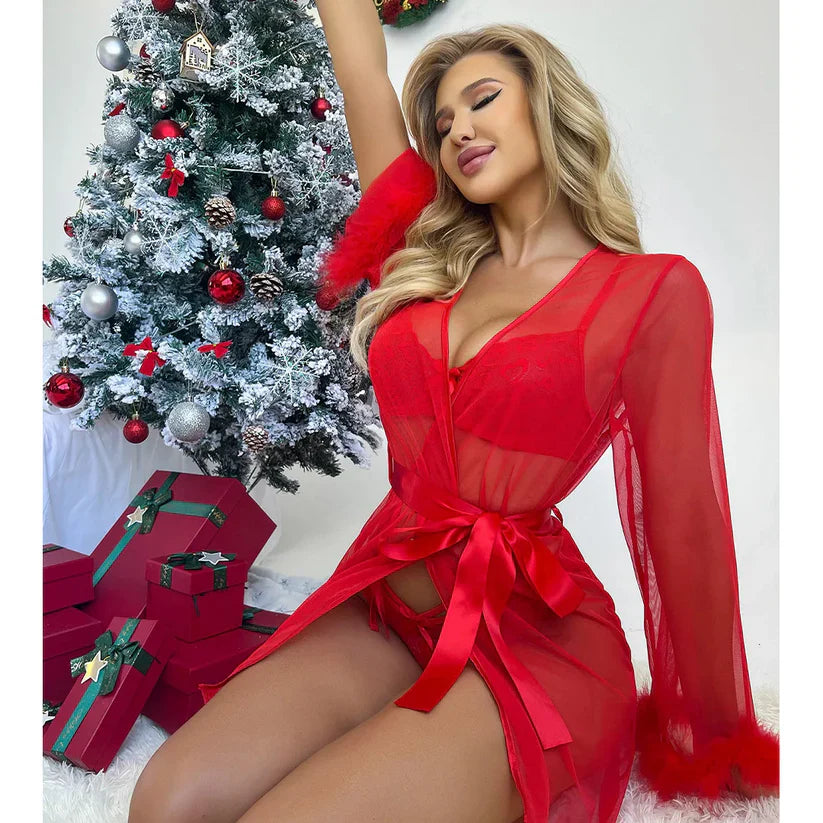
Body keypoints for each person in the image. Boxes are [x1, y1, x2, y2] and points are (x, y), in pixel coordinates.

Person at [128, 7, 779, 823]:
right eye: (441, 125)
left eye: (483, 100)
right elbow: (362, 73)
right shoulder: (420, 246)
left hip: (535, 641)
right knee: (166, 803)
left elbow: (683, 517)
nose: (458, 130)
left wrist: (712, 731)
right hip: (388, 612)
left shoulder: (651, 290)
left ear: (546, 103)